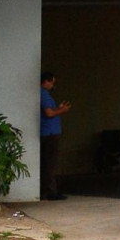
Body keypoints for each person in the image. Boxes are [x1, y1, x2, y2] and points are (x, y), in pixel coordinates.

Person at [38, 72, 72, 201]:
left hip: (48, 132)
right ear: (46, 82)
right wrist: (62, 110)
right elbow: (49, 113)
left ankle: (47, 190)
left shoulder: (44, 94)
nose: (53, 85)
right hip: (50, 133)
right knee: (50, 163)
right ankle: (50, 191)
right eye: (52, 82)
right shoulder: (44, 95)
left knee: (47, 162)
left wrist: (58, 109)